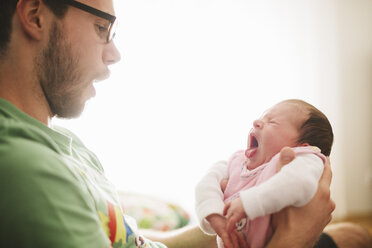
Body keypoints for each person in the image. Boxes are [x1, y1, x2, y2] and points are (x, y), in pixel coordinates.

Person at [0, 0, 358, 247]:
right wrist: (294, 238)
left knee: (356, 235)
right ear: (35, 15)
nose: (114, 53)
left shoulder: (64, 144)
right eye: (101, 27)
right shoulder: (28, 169)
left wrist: (227, 215)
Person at [195, 99, 335, 248]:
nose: (256, 122)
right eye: (262, 118)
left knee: (356, 236)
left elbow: (301, 183)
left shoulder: (303, 157)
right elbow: (207, 183)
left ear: (301, 146)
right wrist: (214, 215)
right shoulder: (237, 161)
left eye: (272, 122)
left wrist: (249, 202)